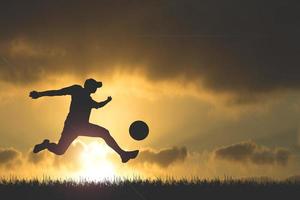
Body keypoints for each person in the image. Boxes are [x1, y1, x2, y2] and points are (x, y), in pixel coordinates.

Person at [29, 78, 139, 163]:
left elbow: (97, 105)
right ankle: (46, 145)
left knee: (104, 133)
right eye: (95, 86)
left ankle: (122, 154)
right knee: (60, 150)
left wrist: (106, 101)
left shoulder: (89, 100)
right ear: (90, 86)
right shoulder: (76, 90)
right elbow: (58, 92)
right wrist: (39, 94)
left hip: (82, 127)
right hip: (72, 127)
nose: (96, 89)